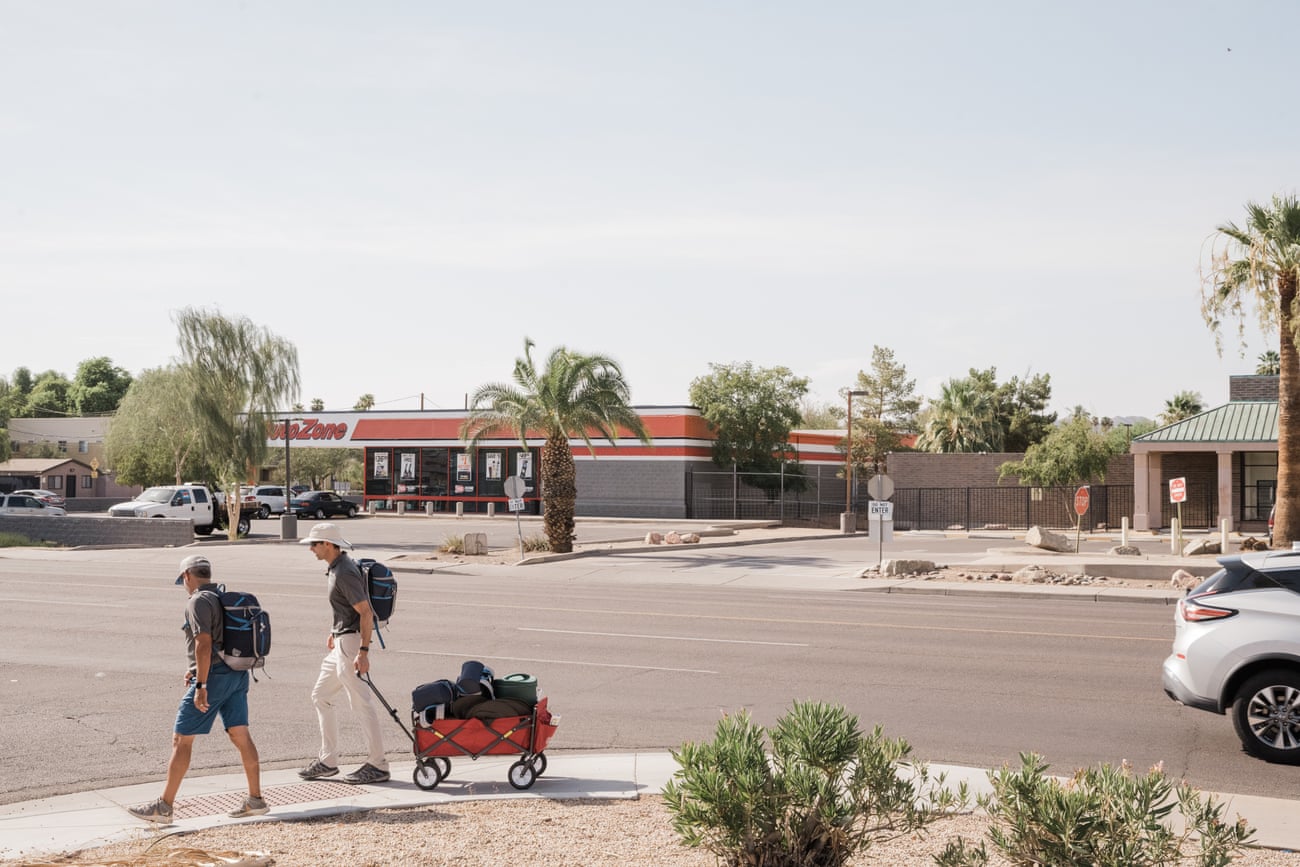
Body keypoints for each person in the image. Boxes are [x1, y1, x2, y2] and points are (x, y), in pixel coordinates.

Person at [128, 555, 268, 823]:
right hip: (236, 673)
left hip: (213, 677)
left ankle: (164, 807)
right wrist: (195, 669)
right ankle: (256, 799)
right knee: (240, 735)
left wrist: (201, 684)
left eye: (182, 580)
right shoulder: (221, 597)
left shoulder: (197, 601)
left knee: (182, 739)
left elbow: (204, 643)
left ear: (187, 576)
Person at [298, 522, 391, 784]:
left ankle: (378, 764)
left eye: (314, 544)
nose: (311, 549)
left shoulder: (344, 572)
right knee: (321, 695)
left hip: (351, 645)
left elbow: (365, 612)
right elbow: (345, 608)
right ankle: (328, 761)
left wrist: (363, 651)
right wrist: (334, 629)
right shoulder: (336, 568)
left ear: (328, 544)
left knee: (361, 703)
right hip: (341, 640)